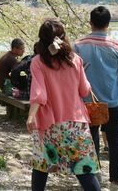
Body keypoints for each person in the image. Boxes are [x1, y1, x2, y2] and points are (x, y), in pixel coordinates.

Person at [26, 18, 101, 191]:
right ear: (63, 37)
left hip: (49, 125)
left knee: (41, 167)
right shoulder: (75, 59)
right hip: (75, 123)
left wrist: (31, 116)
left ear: (41, 40)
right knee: (84, 170)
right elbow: (84, 91)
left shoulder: (38, 62)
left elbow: (39, 94)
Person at [74, 6, 118, 189]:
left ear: (90, 22)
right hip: (113, 101)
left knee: (90, 140)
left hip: (87, 103)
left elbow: (72, 75)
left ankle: (94, 177)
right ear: (108, 24)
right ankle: (115, 182)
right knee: (116, 142)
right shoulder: (117, 46)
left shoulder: (78, 45)